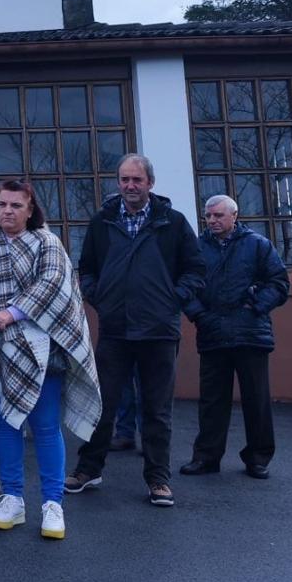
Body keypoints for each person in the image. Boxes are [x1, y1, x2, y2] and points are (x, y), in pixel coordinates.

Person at [0, 179, 102, 539]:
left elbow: (53, 283)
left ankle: (53, 505)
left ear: (30, 209)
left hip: (42, 350)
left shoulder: (47, 242)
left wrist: (12, 313)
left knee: (45, 426)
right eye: (2, 205)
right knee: (5, 424)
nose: (7, 211)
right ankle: (12, 499)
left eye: (16, 206)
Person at [66, 154, 206, 507]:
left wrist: (173, 300)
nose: (130, 186)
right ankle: (88, 469)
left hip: (159, 331)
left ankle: (158, 478)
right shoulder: (103, 222)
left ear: (150, 184)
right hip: (115, 329)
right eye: (124, 180)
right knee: (103, 405)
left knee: (157, 409)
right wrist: (100, 298)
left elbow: (195, 269)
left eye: (136, 180)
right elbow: (88, 268)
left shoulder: (172, 223)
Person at [180, 194, 289, 480]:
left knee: (257, 400)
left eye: (218, 215)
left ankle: (258, 458)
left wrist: (256, 306)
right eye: (208, 216)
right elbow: (184, 285)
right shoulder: (196, 248)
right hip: (213, 332)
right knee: (212, 402)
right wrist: (200, 315)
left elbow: (279, 283)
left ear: (234, 215)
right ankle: (206, 457)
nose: (212, 221)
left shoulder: (257, 245)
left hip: (250, 333)